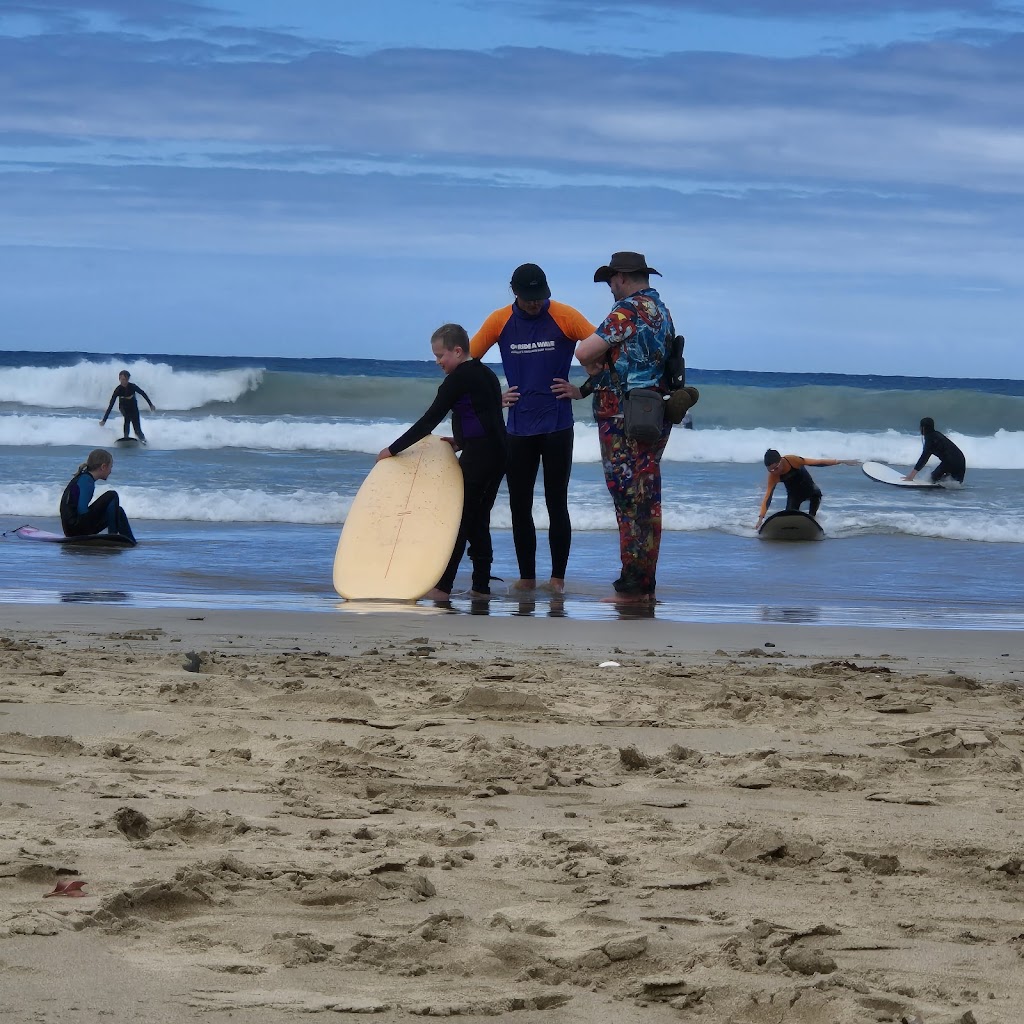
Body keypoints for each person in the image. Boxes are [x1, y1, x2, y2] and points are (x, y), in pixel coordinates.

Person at [470, 263, 596, 594]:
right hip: (519, 427)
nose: (534, 304)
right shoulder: (499, 321)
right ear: (515, 293)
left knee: (557, 501)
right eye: (528, 299)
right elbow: (468, 364)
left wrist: (581, 390)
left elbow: (607, 352)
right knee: (519, 504)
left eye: (540, 297)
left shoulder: (566, 316)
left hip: (557, 425)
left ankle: (556, 580)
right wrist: (493, 397)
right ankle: (527, 577)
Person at [574, 251, 677, 604]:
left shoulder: (628, 310)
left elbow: (585, 351)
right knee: (647, 499)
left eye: (610, 281)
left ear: (621, 277)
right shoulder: (662, 311)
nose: (609, 288)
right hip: (654, 412)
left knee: (627, 497)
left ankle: (632, 587)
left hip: (622, 417)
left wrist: (593, 367)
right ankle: (644, 584)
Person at [377, 323, 507, 601]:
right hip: (497, 453)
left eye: (441, 356)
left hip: (481, 456)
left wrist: (393, 449)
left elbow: (429, 420)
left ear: (457, 351)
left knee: (461, 519)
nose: (438, 362)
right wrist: (461, 442)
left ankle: (443, 587)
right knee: (478, 518)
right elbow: (488, 417)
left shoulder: (458, 379)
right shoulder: (486, 374)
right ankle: (481, 587)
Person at [756, 450, 859, 529]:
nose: (774, 472)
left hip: (810, 490)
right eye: (770, 470)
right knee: (789, 516)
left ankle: (812, 519)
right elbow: (768, 497)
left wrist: (842, 461)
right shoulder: (773, 476)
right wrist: (761, 518)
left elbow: (818, 462)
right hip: (794, 496)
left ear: (781, 460)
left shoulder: (792, 460)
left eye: (776, 468)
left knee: (816, 494)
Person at [59, 448, 137, 543]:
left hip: (72, 529)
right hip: (76, 529)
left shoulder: (83, 478)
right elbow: (82, 510)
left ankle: (130, 541)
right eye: (110, 467)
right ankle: (113, 535)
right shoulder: (86, 480)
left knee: (118, 511)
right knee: (112, 495)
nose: (110, 471)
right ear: (103, 467)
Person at [903, 417, 966, 484]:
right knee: (955, 483)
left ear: (923, 428)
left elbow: (924, 458)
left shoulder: (930, 439)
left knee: (932, 480)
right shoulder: (937, 434)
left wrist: (911, 476)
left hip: (950, 462)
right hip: (961, 461)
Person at [100, 370, 155, 443]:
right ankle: (126, 437)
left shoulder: (132, 386)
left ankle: (143, 441)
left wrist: (150, 405)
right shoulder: (118, 390)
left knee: (137, 428)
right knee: (127, 417)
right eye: (121, 379)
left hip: (133, 407)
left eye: (124, 379)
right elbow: (111, 405)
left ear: (128, 379)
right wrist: (104, 420)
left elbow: (143, 393)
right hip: (123, 407)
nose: (123, 381)